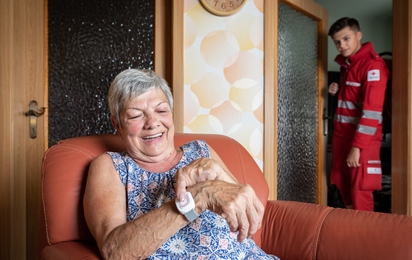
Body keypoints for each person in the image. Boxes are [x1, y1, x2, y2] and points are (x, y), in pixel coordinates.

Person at [83, 69, 278, 259]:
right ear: (117, 124)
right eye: (136, 115)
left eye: (161, 110)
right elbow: (114, 252)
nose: (152, 122)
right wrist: (197, 198)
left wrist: (218, 172)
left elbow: (248, 217)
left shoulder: (202, 150)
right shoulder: (111, 166)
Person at [328, 17, 388, 211]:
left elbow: (372, 111)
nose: (341, 45)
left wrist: (357, 147)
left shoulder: (373, 66)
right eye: (337, 42)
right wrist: (337, 88)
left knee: (361, 189)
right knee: (342, 183)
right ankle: (353, 230)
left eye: (346, 39)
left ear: (359, 35)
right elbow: (353, 98)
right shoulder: (348, 65)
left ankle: (365, 238)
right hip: (342, 136)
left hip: (362, 140)